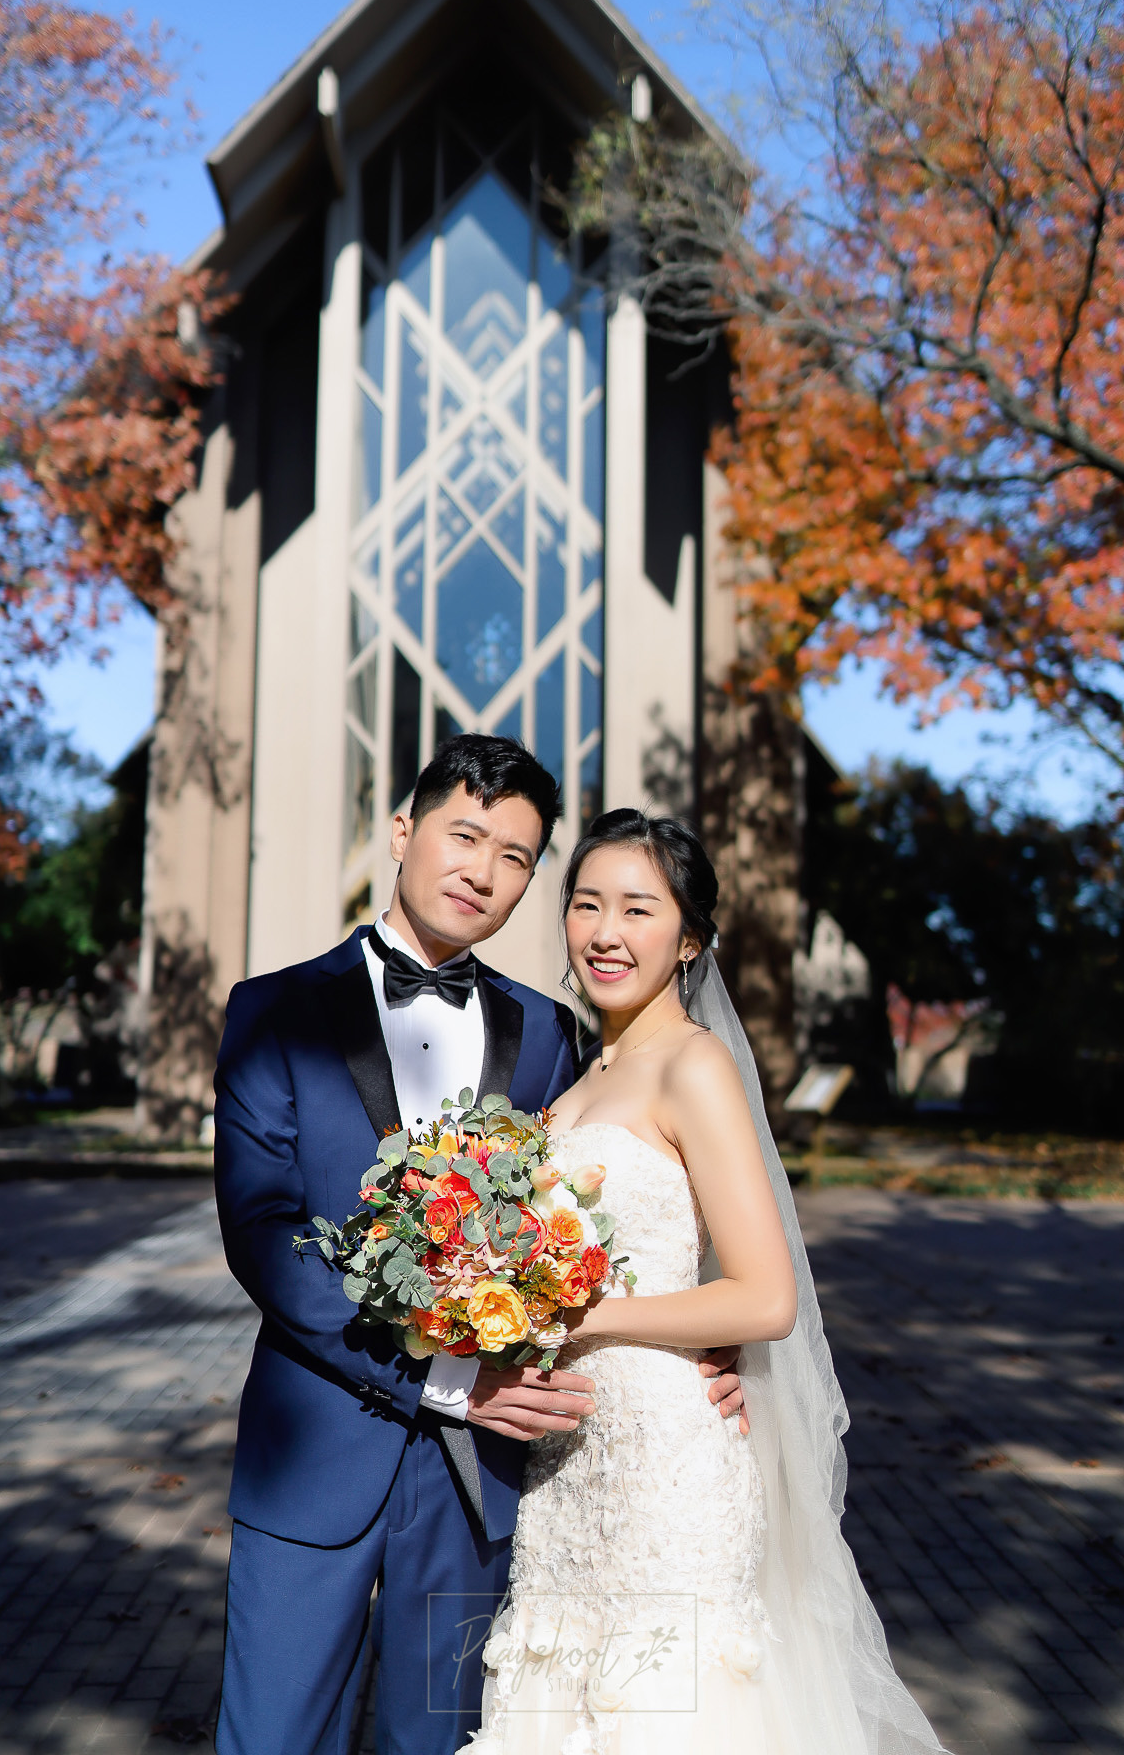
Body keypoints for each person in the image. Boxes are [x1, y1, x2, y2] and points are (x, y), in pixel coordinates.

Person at [212, 740, 746, 1755]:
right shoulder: (272, 1011)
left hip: (488, 1480)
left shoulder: (551, 1032)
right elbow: (262, 1234)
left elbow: (614, 1219)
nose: (482, 869)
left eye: (516, 854)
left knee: (442, 1740)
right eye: (464, 834)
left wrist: (713, 1355)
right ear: (404, 831)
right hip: (314, 1446)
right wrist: (449, 1375)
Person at [467, 809, 948, 1755]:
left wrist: (586, 1315)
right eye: (587, 904)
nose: (605, 932)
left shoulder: (694, 1064)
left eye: (638, 910)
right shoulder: (580, 1074)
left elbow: (765, 1296)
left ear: (689, 937)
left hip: (668, 1472)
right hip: (571, 1471)